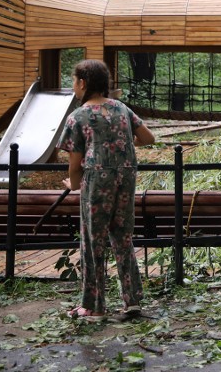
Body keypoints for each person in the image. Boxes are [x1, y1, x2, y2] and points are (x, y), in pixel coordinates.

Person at [57, 59, 155, 321]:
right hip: (125, 180)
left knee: (93, 243)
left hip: (96, 185)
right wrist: (119, 143)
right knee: (123, 240)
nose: (73, 86)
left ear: (84, 83)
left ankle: (94, 306)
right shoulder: (122, 109)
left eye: (74, 81)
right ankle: (132, 301)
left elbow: (75, 165)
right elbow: (148, 138)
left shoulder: (78, 117)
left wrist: (74, 185)